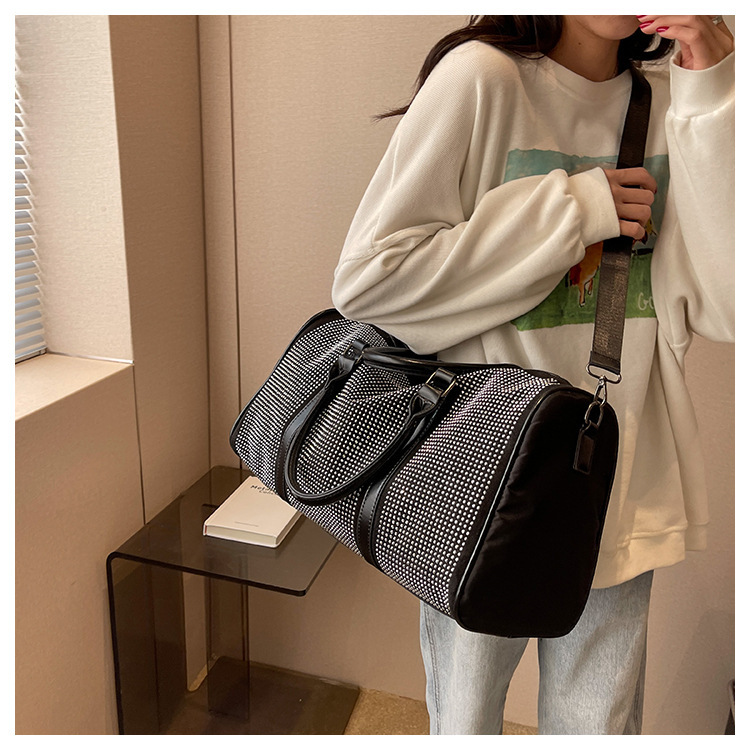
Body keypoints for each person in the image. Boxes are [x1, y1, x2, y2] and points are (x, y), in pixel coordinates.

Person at [331, 15, 734, 735]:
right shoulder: (482, 78)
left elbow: (729, 308)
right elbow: (371, 282)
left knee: (597, 730)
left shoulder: (678, 100)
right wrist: (575, 209)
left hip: (619, 478)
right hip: (474, 483)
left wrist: (718, 91)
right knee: (465, 722)